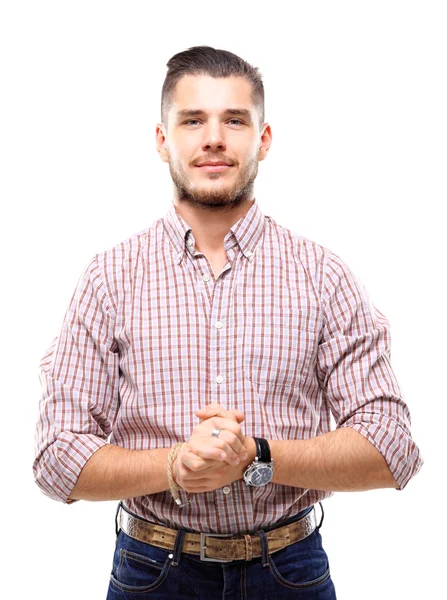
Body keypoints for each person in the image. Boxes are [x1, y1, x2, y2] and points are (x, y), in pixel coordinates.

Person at [33, 45, 423, 599]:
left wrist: (258, 458)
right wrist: (174, 465)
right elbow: (55, 459)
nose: (213, 138)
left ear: (262, 140)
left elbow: (393, 449)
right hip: (152, 573)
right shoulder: (109, 278)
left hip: (289, 573)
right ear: (163, 139)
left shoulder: (323, 275)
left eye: (234, 120)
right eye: (193, 120)